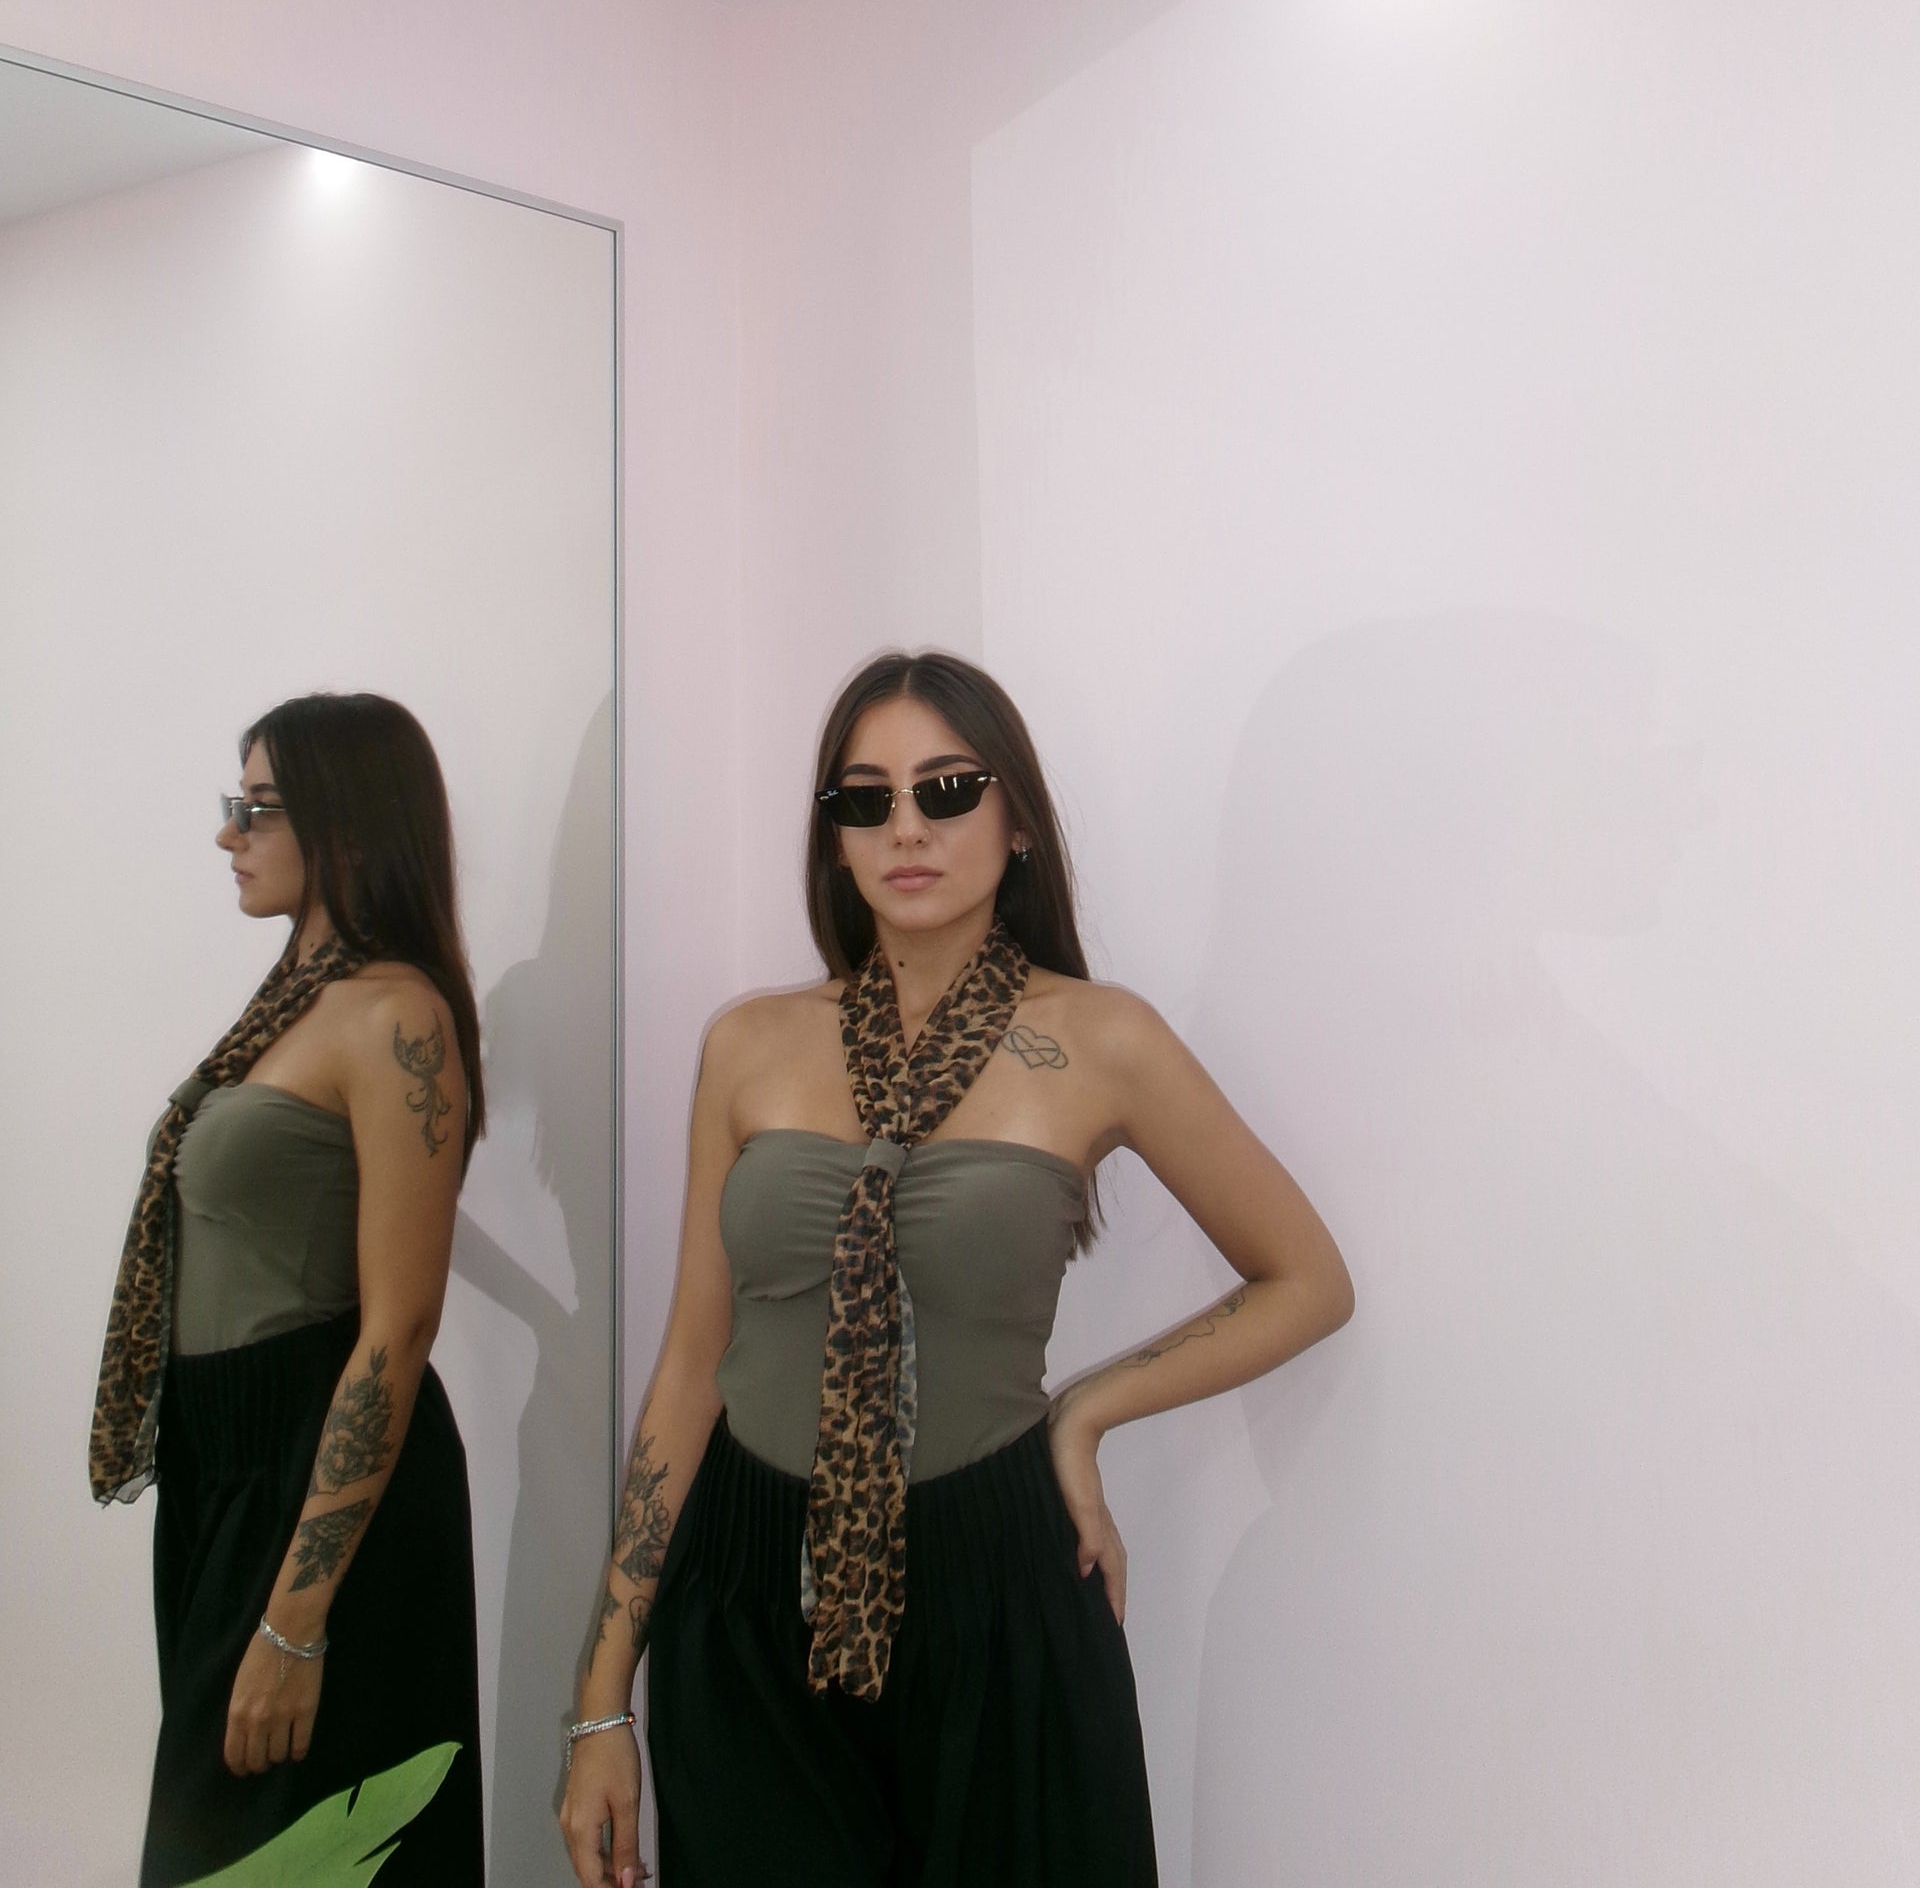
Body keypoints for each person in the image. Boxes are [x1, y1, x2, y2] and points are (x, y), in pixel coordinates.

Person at [560, 650, 1355, 1888]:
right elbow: (688, 1369)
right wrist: (602, 1699)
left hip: (996, 1585)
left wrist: (1086, 1411)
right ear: (832, 839)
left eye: (946, 788)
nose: (906, 827)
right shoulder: (749, 1046)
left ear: (1015, 819)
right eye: (863, 798)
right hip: (748, 1591)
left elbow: (1305, 1279)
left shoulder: (1102, 1039)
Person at [92, 692, 488, 1886]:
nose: (229, 834)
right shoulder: (291, 1003)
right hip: (227, 1467)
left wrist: (294, 1620)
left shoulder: (396, 1015)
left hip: (319, 1475)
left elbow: (399, 1326)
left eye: (257, 807)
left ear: (347, 826)